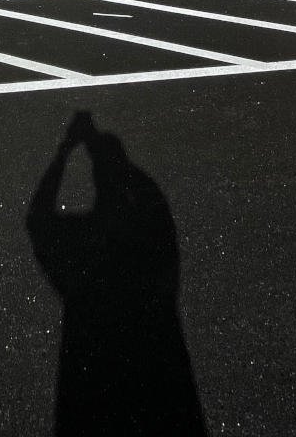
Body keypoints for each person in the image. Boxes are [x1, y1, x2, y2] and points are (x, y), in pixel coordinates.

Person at [27, 111, 208, 436]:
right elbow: (153, 199)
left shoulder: (84, 242)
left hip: (90, 388)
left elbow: (38, 219)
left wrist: (66, 152)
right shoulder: (148, 241)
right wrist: (102, 152)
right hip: (160, 385)